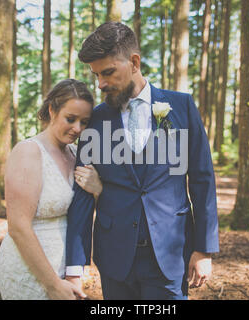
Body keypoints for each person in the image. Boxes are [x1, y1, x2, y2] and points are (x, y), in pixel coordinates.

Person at [65, 22, 219, 300]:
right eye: (96, 75)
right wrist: (75, 265)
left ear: (134, 62)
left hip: (170, 252)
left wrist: (204, 249)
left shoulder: (182, 106)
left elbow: (202, 180)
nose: (100, 84)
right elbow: (83, 194)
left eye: (108, 72)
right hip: (114, 255)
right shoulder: (96, 119)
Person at [0, 79, 103, 300]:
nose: (78, 129)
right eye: (70, 119)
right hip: (30, 272)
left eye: (84, 122)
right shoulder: (29, 152)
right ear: (52, 110)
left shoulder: (75, 153)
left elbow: (84, 213)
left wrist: (98, 189)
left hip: (67, 268)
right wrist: (53, 284)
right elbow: (18, 227)